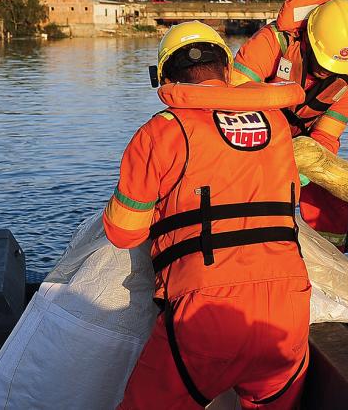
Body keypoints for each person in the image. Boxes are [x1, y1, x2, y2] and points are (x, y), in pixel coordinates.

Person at [104, 22, 311, 409]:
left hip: (207, 312)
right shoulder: (278, 124)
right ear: (228, 72)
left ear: (164, 77)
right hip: (289, 308)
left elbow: (124, 232)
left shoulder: (161, 132)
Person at [231, 0, 348, 250]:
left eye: (336, 67)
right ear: (308, 37)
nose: (328, 71)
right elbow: (230, 105)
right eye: (324, 61)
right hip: (252, 130)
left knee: (329, 189)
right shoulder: (270, 44)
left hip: (304, 142)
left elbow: (326, 137)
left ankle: (330, 259)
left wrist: (302, 169)